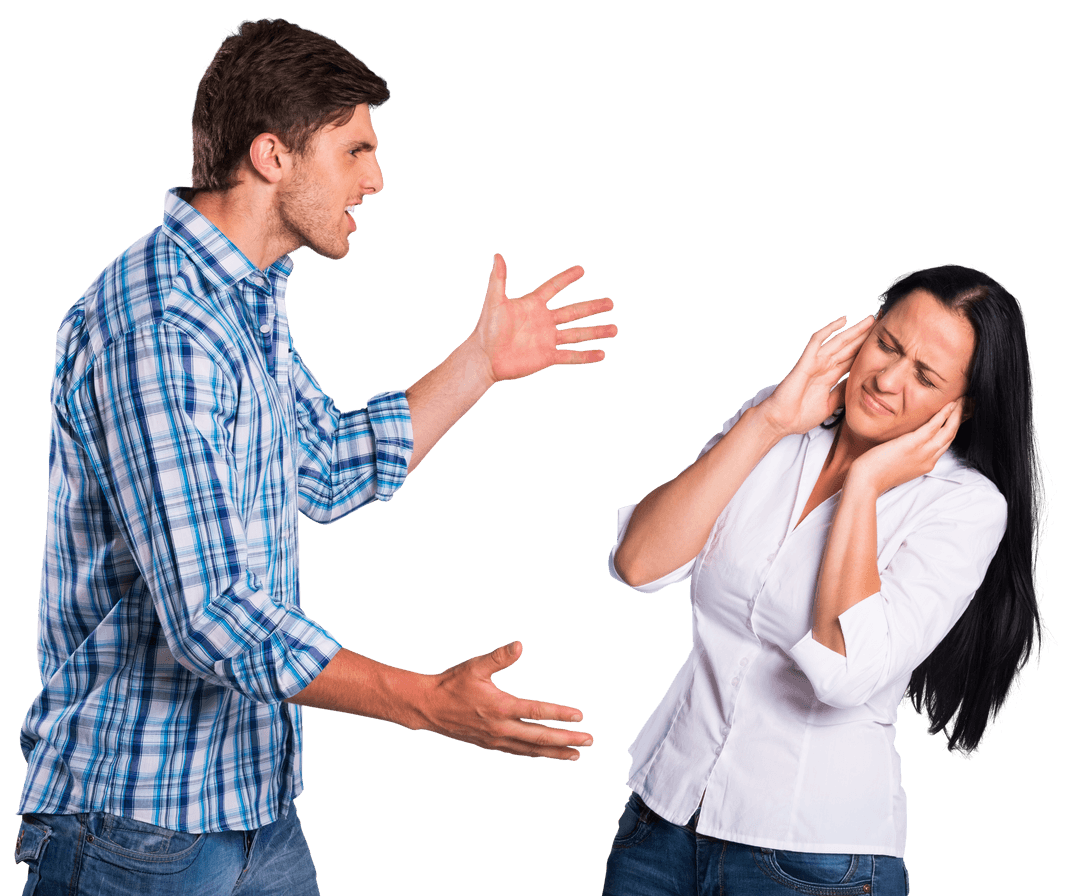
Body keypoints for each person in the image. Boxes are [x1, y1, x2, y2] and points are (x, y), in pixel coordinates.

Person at [13, 18, 615, 896]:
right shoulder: (159, 327)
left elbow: (326, 466)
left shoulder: (245, 300)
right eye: (354, 150)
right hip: (138, 831)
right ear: (272, 156)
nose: (376, 178)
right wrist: (423, 702)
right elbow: (211, 614)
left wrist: (479, 363)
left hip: (254, 810)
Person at [601, 264, 1047, 895]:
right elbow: (638, 564)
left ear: (963, 406)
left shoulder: (964, 506)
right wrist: (767, 423)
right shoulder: (779, 419)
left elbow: (845, 674)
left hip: (812, 861)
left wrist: (864, 484)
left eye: (925, 377)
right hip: (661, 822)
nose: (888, 380)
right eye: (888, 345)